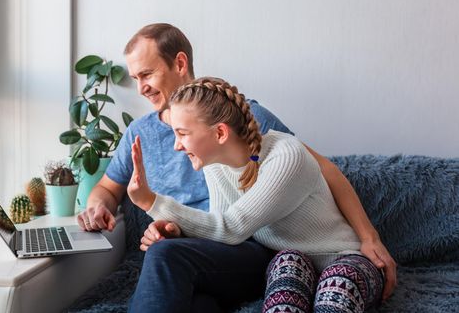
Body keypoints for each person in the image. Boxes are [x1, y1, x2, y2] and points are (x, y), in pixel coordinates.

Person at [76, 23, 396, 305]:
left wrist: (369, 236)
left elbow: (317, 168)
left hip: (246, 246)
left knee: (164, 257)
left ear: (180, 63)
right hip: (193, 245)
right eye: (134, 78)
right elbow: (107, 187)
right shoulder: (141, 132)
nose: (140, 87)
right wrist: (99, 206)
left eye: (146, 74)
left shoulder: (240, 118)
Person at [127, 77, 389, 312]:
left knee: (336, 294)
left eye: (182, 134)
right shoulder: (214, 164)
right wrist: (178, 230)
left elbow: (232, 227)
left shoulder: (286, 156)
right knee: (284, 276)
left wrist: (151, 201)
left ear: (220, 132)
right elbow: (220, 233)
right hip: (290, 258)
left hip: (342, 256)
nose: (176, 145)